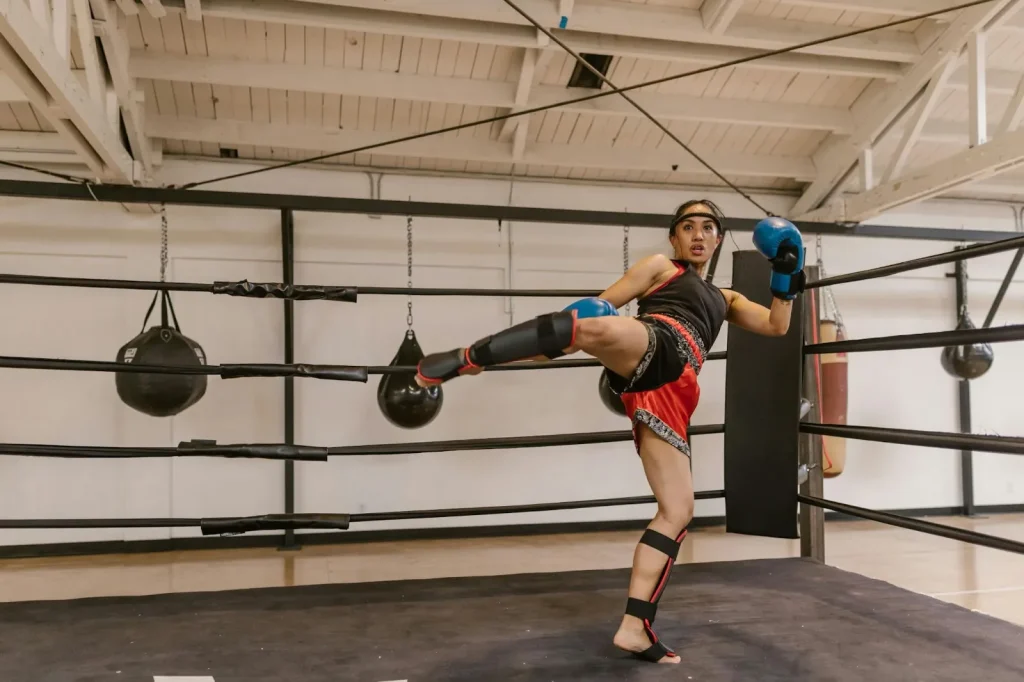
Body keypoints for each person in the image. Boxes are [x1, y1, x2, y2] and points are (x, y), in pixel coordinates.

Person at [414, 200, 806, 664]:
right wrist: (583, 328)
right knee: (588, 320)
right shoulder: (661, 267)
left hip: (676, 393)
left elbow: (778, 325)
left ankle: (636, 626)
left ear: (718, 238)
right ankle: (470, 357)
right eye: (687, 226)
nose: (698, 235)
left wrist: (786, 271)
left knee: (677, 511)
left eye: (707, 227)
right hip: (658, 342)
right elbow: (602, 305)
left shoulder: (727, 298)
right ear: (674, 238)